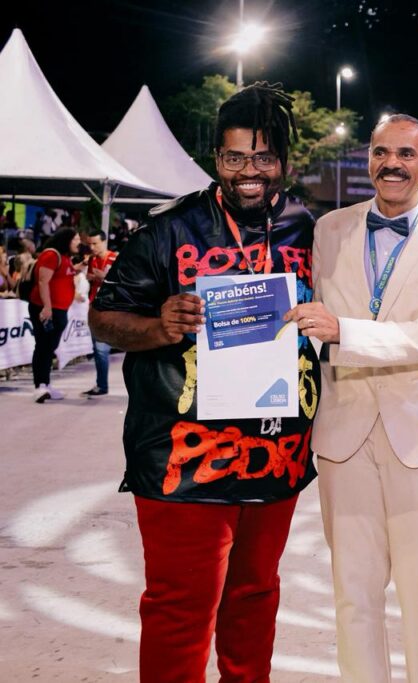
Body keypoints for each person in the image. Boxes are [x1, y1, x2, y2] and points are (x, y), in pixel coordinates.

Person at [89, 82, 320, 683]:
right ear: (216, 157)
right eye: (234, 157)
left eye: (263, 157)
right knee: (181, 609)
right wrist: (159, 326)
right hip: (184, 459)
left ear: (284, 161)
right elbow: (104, 318)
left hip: (276, 453)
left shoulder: (306, 228)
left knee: (255, 599)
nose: (249, 172)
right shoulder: (169, 229)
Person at [284, 113, 418, 683]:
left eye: (406, 153)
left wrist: (343, 332)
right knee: (353, 592)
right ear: (368, 158)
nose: (391, 164)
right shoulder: (328, 230)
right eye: (380, 152)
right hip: (344, 436)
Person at [29, 227, 87, 402]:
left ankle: (45, 384)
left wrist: (79, 268)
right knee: (43, 347)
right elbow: (43, 281)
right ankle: (40, 386)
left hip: (59, 309)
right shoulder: (51, 255)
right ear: (66, 240)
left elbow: (62, 275)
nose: (79, 243)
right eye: (76, 239)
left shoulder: (65, 258)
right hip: (47, 309)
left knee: (49, 348)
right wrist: (47, 307)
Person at [82, 229, 118, 396]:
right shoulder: (92, 259)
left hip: (110, 307)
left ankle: (102, 385)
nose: (92, 247)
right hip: (94, 306)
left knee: (101, 348)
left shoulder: (115, 258)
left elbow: (122, 282)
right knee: (98, 349)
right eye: (89, 244)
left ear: (104, 242)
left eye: (95, 243)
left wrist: (104, 277)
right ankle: (101, 384)